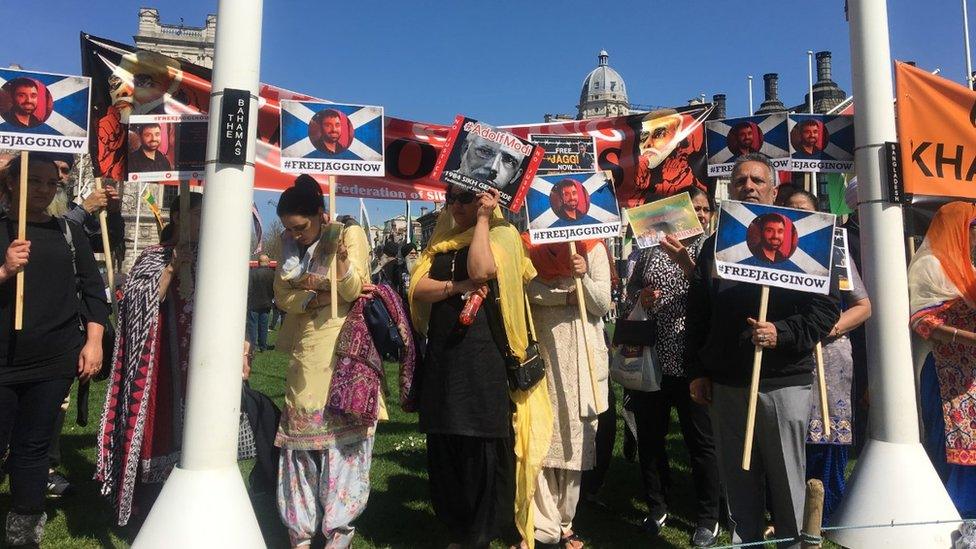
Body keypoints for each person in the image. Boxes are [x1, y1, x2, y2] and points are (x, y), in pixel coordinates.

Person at [686, 153, 840, 547]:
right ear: (730, 189)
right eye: (740, 182)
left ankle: (795, 543)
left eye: (757, 180)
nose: (748, 187)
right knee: (739, 481)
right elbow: (699, 312)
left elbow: (826, 311)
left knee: (789, 479)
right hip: (728, 383)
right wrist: (698, 371)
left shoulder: (809, 244)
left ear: (773, 189)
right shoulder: (715, 247)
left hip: (784, 382)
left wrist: (782, 332)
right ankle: (746, 542)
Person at [409, 187, 550, 547]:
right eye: (450, 199)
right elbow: (418, 288)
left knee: (479, 446)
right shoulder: (443, 237)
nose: (456, 206)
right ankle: (457, 528)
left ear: (484, 201)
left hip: (483, 358)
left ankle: (479, 533)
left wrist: (485, 220)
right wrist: (457, 287)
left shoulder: (502, 235)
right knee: (446, 442)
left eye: (465, 199)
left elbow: (481, 269)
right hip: (444, 357)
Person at [0, 157, 108, 546]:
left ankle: (24, 532)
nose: (45, 189)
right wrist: (4, 271)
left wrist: (93, 341)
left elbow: (95, 293)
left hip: (53, 359)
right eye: (34, 181)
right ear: (12, 183)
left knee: (33, 447)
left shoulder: (68, 231)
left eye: (51, 183)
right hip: (3, 359)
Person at [272, 175, 377, 548]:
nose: (295, 235)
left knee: (343, 452)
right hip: (305, 354)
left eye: (301, 227)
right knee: (298, 450)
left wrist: (342, 263)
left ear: (320, 215)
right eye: (289, 228)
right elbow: (282, 295)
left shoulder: (349, 235)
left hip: (345, 353)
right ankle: (299, 537)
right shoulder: (286, 245)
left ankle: (338, 536)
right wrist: (313, 297)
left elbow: (352, 290)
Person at [96, 192, 205, 526]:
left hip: (201, 364)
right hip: (161, 362)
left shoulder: (214, 255)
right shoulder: (154, 256)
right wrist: (173, 266)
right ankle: (151, 507)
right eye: (198, 214)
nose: (204, 222)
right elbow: (137, 305)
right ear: (179, 217)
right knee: (160, 427)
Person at [621, 186, 722, 547]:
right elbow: (628, 293)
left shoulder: (713, 249)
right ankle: (657, 504)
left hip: (693, 362)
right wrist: (640, 297)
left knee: (701, 443)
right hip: (653, 361)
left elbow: (717, 297)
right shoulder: (648, 249)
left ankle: (708, 516)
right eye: (693, 208)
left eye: (705, 208)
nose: (700, 214)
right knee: (650, 437)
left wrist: (688, 266)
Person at [786, 190, 872, 523]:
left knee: (827, 433)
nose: (797, 214)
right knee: (792, 434)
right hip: (787, 356)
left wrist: (825, 329)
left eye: (803, 209)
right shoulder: (768, 255)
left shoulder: (836, 252)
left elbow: (863, 307)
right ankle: (787, 509)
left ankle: (827, 508)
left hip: (830, 357)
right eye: (790, 210)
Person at [523, 235, 611, 549]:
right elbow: (526, 291)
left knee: (576, 442)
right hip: (545, 353)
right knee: (544, 441)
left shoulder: (593, 247)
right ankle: (544, 526)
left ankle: (565, 521)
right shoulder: (528, 246)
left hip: (583, 362)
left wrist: (583, 275)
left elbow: (601, 303)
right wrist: (566, 298)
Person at [908, 201, 976, 519]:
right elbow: (921, 321)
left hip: (971, 378)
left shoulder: (968, 269)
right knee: (948, 442)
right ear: (957, 228)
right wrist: (968, 338)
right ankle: (946, 514)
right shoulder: (931, 265)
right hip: (942, 372)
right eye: (972, 228)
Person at [456, 133, 525, 190]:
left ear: (516, 176)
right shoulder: (445, 186)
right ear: (465, 150)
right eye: (484, 151)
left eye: (509, 161)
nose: (493, 168)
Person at [247, 254, 275, 352]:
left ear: (258, 262)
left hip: (253, 303)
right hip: (266, 303)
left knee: (253, 326)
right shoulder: (272, 274)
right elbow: (274, 289)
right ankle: (263, 346)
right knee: (263, 326)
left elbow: (248, 288)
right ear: (268, 262)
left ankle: (252, 347)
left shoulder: (251, 273)